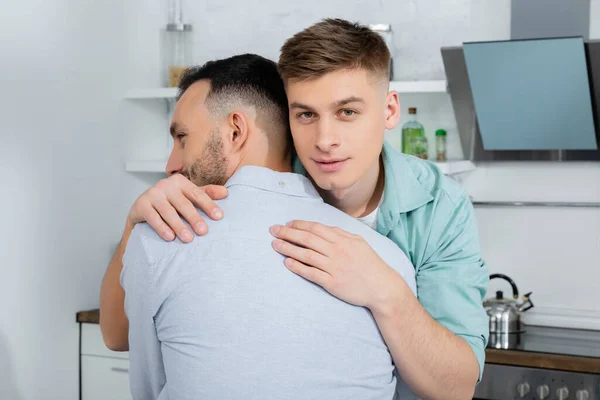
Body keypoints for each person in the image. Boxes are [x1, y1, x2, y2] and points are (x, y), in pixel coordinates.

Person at [101, 19, 489, 400]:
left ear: (389, 111)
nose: (325, 140)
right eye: (305, 115)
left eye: (347, 112)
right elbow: (119, 334)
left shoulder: (441, 207)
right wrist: (135, 224)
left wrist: (386, 291)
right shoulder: (264, 182)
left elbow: (457, 388)